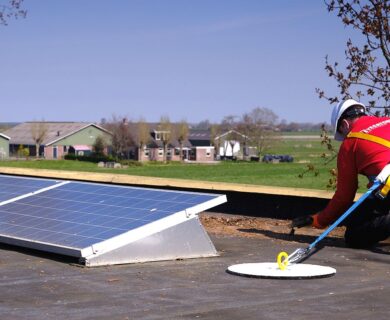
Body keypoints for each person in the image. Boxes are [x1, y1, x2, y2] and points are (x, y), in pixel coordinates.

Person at [292, 99, 390, 248]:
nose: (344, 138)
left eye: (342, 133)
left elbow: (344, 196)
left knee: (354, 236)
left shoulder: (351, 142)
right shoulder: (387, 120)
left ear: (344, 124)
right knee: (360, 213)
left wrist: (319, 220)